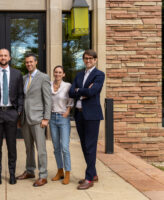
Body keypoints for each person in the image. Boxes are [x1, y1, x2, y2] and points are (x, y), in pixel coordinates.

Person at [0, 48, 24, 185]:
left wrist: (18, 111)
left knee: (12, 146)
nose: (3, 57)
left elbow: (20, 94)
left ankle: (12, 173)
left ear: (10, 57)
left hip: (11, 113)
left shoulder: (17, 74)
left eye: (5, 55)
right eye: (1, 55)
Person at [69, 49, 105, 190]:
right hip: (79, 115)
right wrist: (80, 91)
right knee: (84, 145)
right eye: (85, 58)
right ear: (83, 59)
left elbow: (92, 91)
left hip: (92, 116)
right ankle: (94, 173)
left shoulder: (99, 75)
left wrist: (80, 90)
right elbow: (71, 92)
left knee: (90, 146)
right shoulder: (79, 75)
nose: (88, 60)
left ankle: (89, 178)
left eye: (91, 58)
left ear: (95, 60)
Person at [16, 53, 52, 187]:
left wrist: (46, 118)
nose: (29, 64)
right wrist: (20, 118)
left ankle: (43, 175)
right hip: (25, 118)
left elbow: (48, 99)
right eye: (26, 62)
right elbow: (23, 99)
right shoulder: (24, 78)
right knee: (28, 147)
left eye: (31, 62)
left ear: (36, 62)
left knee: (41, 148)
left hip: (38, 119)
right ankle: (30, 170)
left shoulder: (43, 77)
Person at [49, 65, 74, 185]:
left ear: (63, 74)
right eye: (56, 72)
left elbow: (71, 99)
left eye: (60, 72)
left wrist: (68, 111)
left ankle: (67, 172)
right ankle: (60, 171)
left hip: (63, 118)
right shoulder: (49, 85)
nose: (57, 74)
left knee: (64, 147)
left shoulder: (67, 86)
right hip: (52, 118)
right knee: (56, 148)